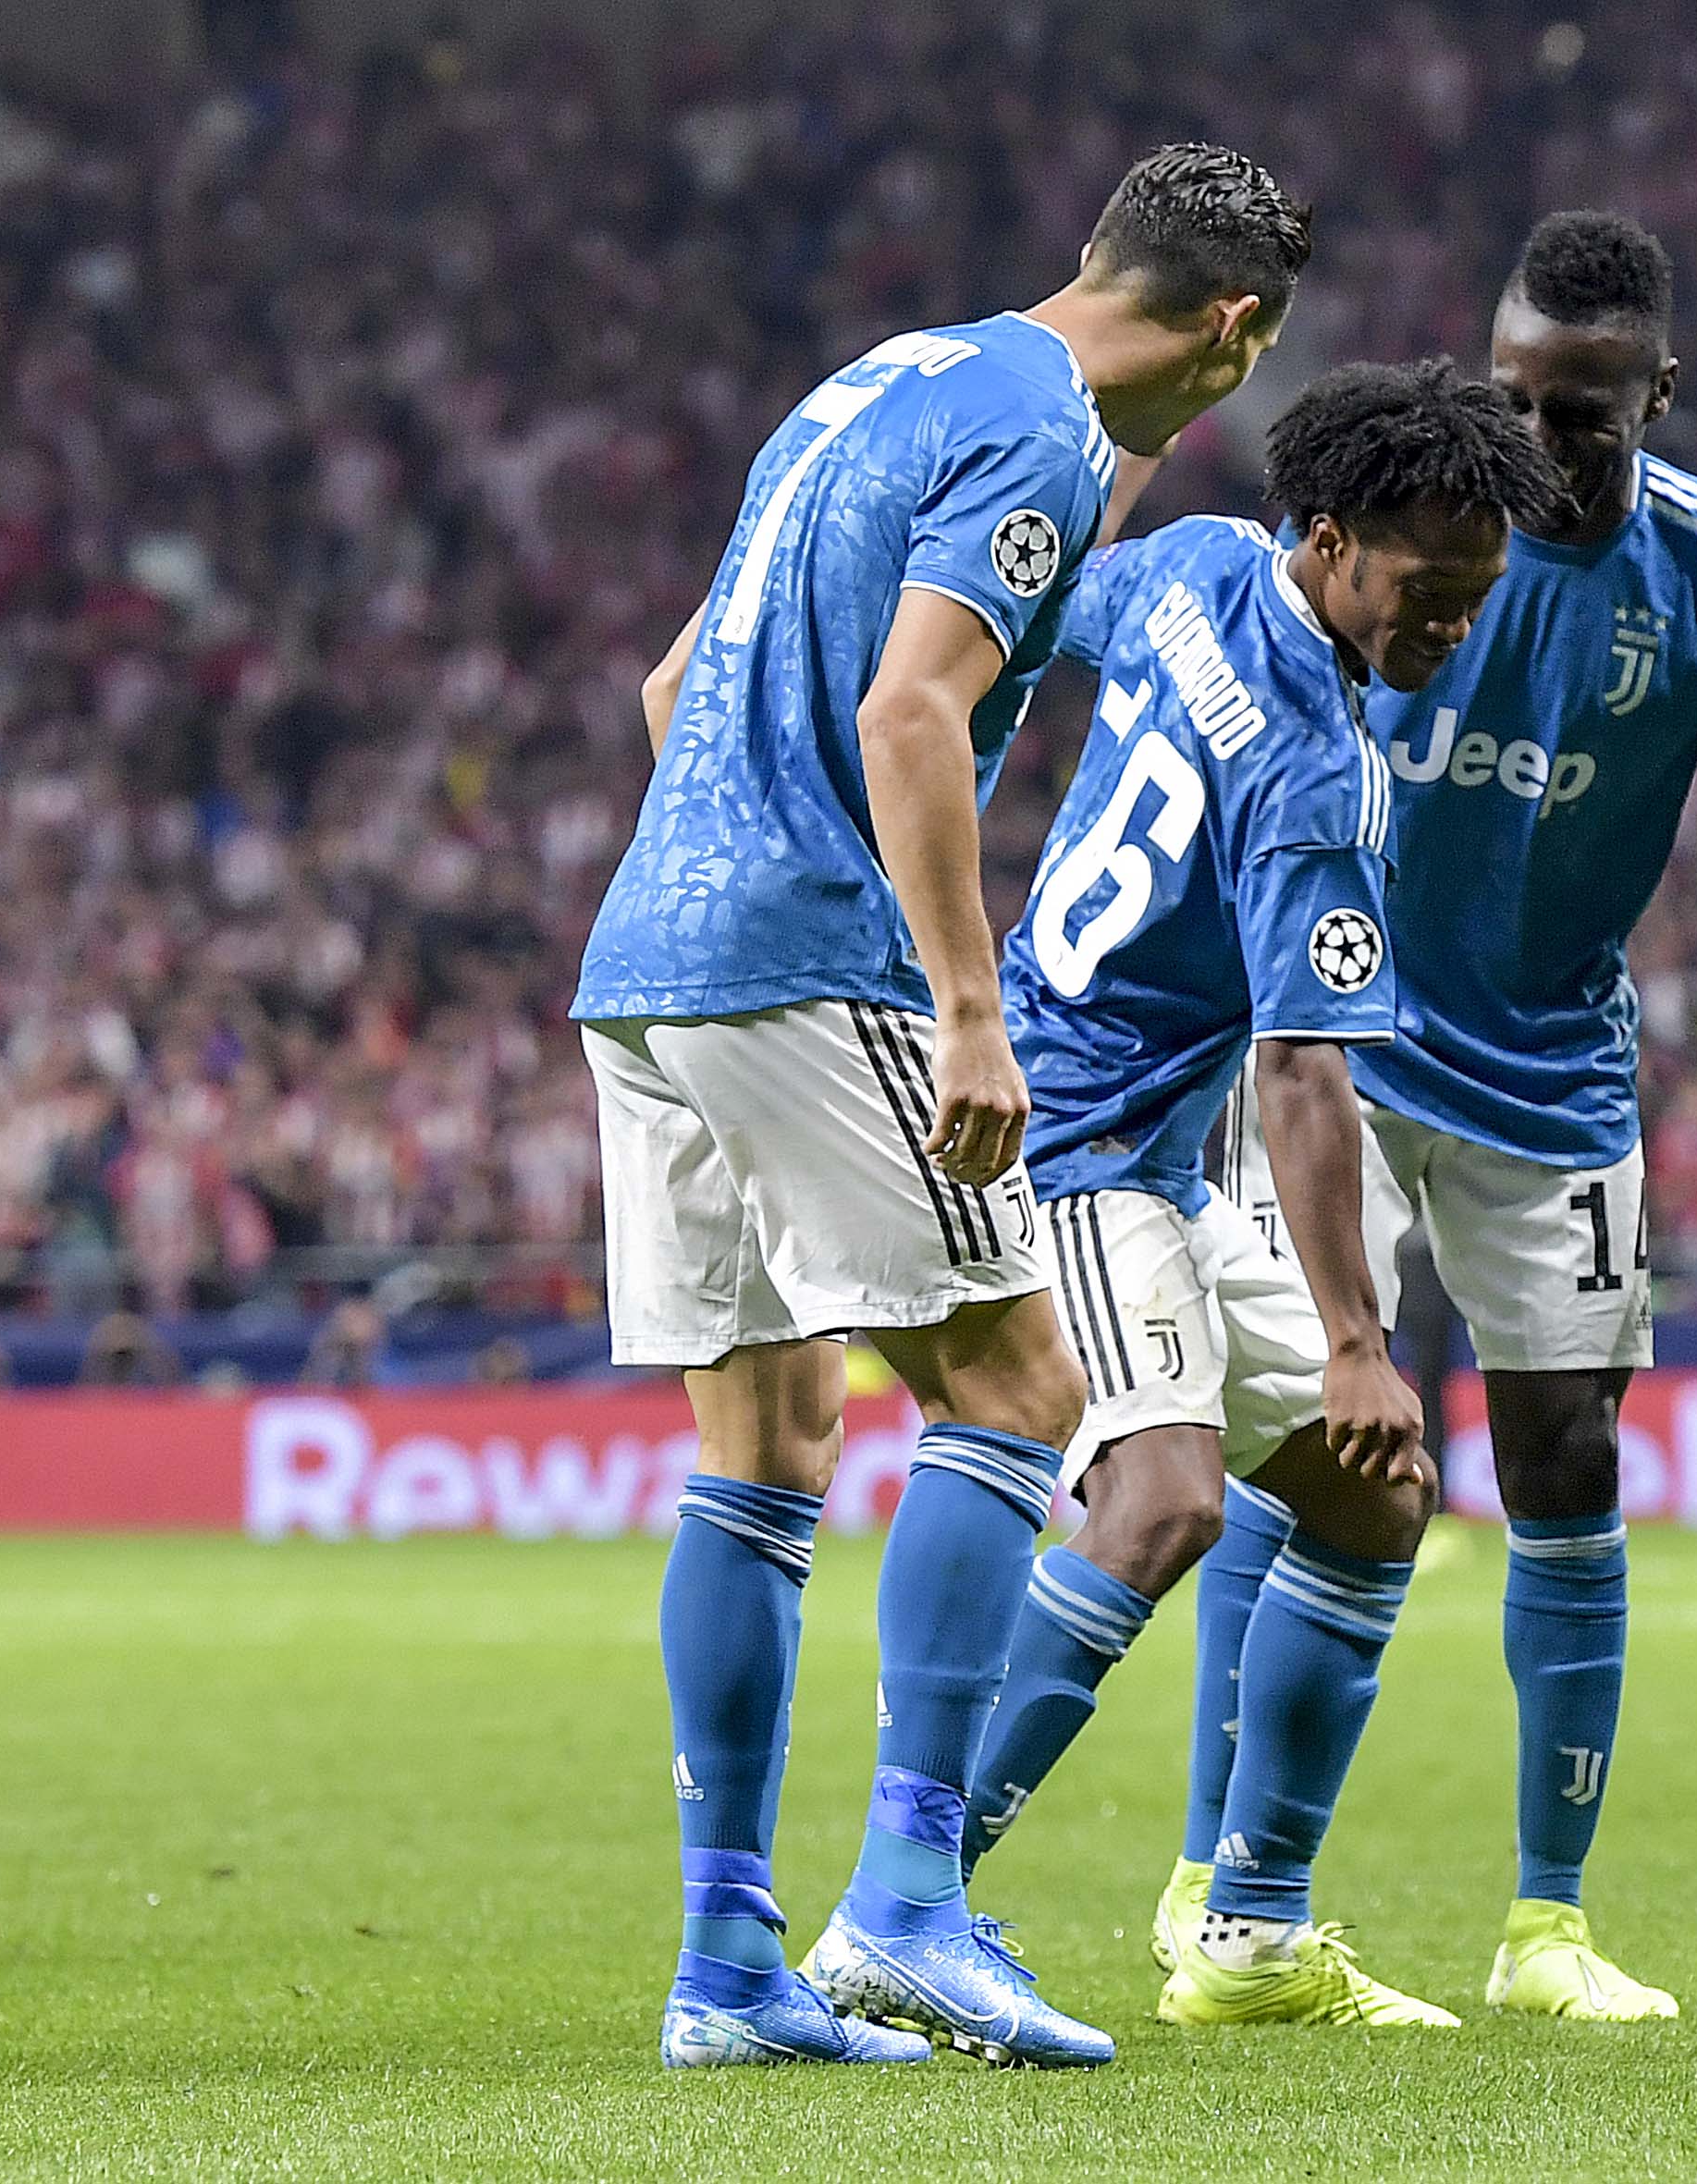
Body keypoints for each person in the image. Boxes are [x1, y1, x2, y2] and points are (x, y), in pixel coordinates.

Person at [570, 142, 1310, 2071]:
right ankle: (907, 1903)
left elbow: (672, 683)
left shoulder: (884, 383)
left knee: (767, 1440)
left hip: (651, 951)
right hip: (815, 957)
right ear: (1236, 327)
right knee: (1018, 1390)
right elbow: (909, 711)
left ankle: (728, 1962)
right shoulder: (1038, 435)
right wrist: (968, 1013)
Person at [1210, 210, 1697, 2020]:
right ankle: (1221, 1890)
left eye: (1581, 410)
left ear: (1659, 391)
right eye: (1512, 398)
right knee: (1292, 1443)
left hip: (1552, 1065)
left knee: (1567, 1461)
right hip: (1337, 1047)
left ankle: (1545, 1927)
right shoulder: (1400, 534)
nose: (1537, 439)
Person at [953, 359, 1560, 2031]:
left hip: (1138, 1144)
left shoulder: (1201, 563)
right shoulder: (1319, 778)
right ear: (1332, 537)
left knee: (1374, 1497)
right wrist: (1360, 1339)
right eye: (1427, 589)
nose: (1451, 626)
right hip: (1077, 1143)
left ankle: (1251, 1935)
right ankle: (909, 1893)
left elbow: (1049, 611)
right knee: (1166, 1500)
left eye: (1479, 595)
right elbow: (1302, 1072)